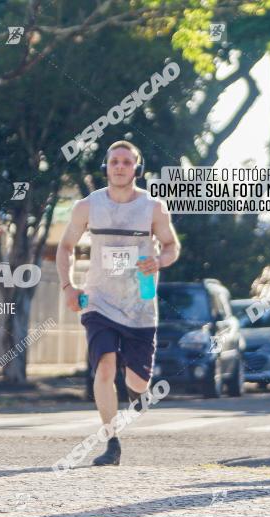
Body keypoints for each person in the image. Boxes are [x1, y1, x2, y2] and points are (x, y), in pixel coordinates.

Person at [56, 140, 180, 466]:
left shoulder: (153, 208)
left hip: (140, 303)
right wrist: (68, 286)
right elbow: (66, 246)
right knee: (105, 367)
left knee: (137, 382)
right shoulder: (87, 206)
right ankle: (111, 442)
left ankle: (136, 389)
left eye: (127, 162)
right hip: (99, 300)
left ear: (137, 168)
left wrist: (160, 262)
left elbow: (170, 246)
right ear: (106, 167)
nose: (120, 167)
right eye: (114, 162)